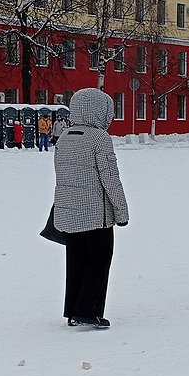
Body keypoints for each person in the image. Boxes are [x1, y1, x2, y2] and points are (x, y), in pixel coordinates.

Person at [52, 88, 129, 329]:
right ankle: (87, 311)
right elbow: (110, 178)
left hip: (68, 211)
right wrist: (121, 212)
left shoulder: (64, 136)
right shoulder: (99, 138)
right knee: (100, 260)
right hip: (96, 214)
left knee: (75, 260)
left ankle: (73, 310)